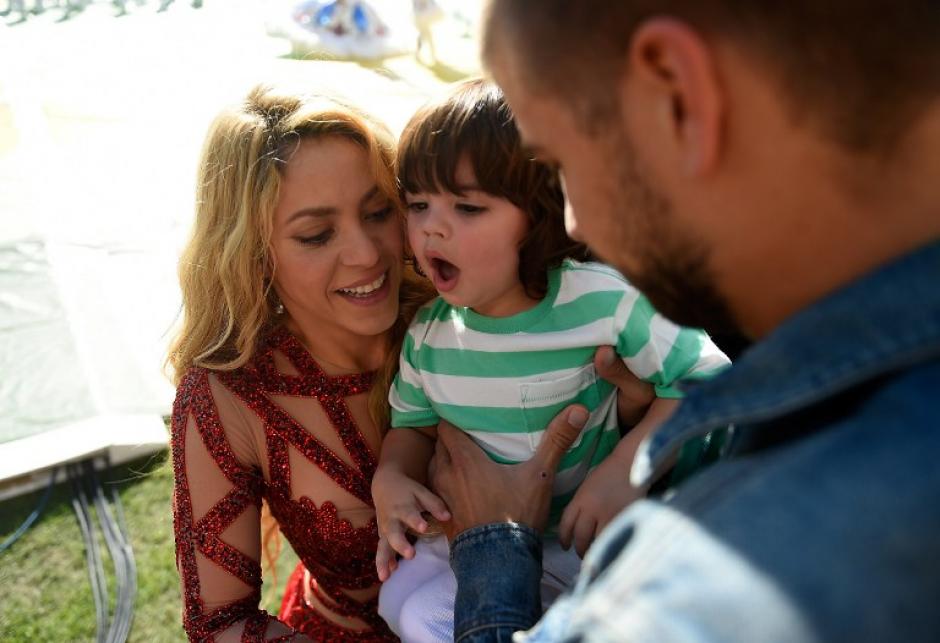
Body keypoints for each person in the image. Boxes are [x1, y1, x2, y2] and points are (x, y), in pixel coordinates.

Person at [429, 1, 940, 642]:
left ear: (674, 93)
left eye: (561, 163)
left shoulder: (682, 603)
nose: (574, 225)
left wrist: (493, 549)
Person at [372, 78, 730, 642]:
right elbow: (411, 427)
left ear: (539, 216)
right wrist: (390, 478)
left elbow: (707, 379)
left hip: (586, 535)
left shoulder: (599, 300)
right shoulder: (428, 336)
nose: (432, 227)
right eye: (418, 204)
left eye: (468, 207)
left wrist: (626, 470)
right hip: (477, 532)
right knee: (402, 605)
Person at [166, 83, 423, 641]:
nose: (366, 252)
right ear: (253, 255)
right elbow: (219, 621)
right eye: (317, 234)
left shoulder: (462, 310)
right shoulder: (228, 392)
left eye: (379, 211)